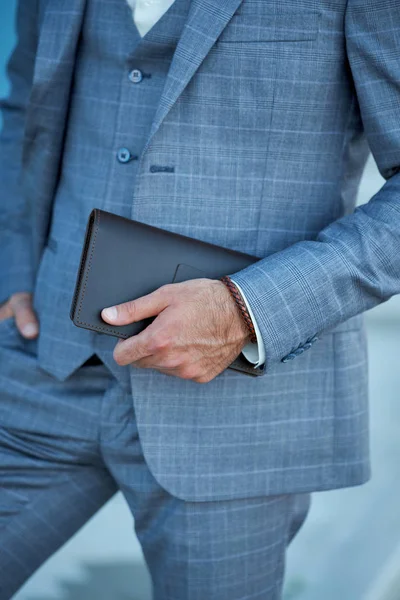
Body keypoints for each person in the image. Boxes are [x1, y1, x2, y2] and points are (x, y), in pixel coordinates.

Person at [0, 0, 399, 598]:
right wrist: (12, 265)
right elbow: (24, 107)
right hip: (42, 360)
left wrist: (248, 307)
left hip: (239, 408)